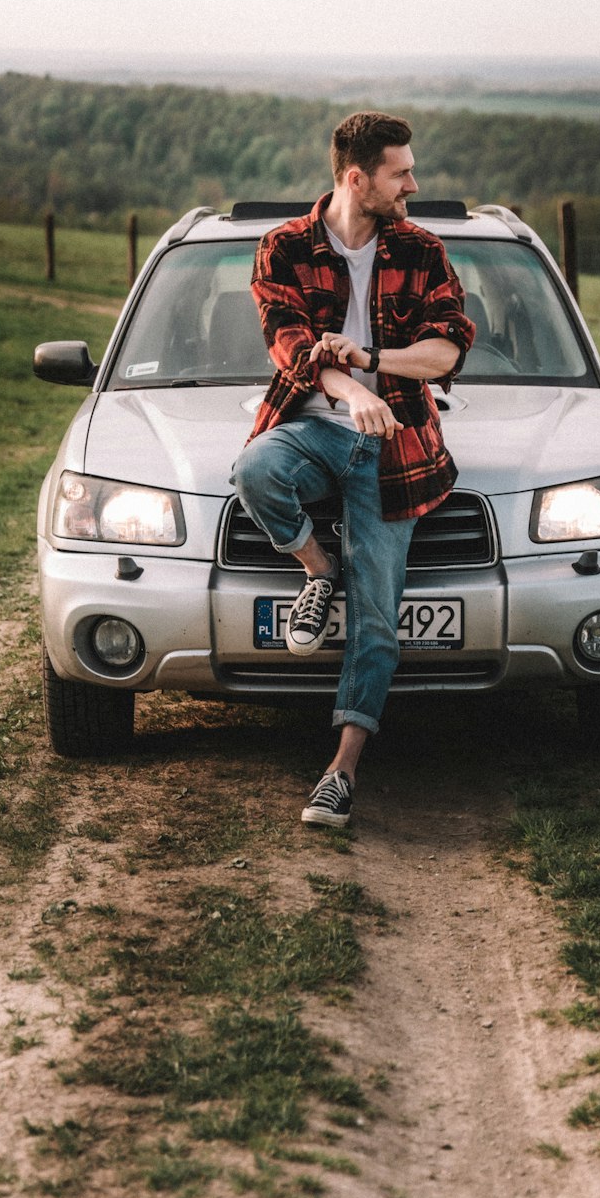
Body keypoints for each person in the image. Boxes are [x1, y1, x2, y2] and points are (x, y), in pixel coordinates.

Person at [231, 112, 475, 827]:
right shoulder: (282, 249)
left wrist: (370, 361)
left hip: (397, 450)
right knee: (255, 471)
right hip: (314, 428)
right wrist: (348, 388)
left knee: (377, 618)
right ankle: (316, 568)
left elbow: (445, 353)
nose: (414, 184)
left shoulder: (423, 251)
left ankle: (340, 771)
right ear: (356, 177)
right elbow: (293, 347)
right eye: (401, 172)